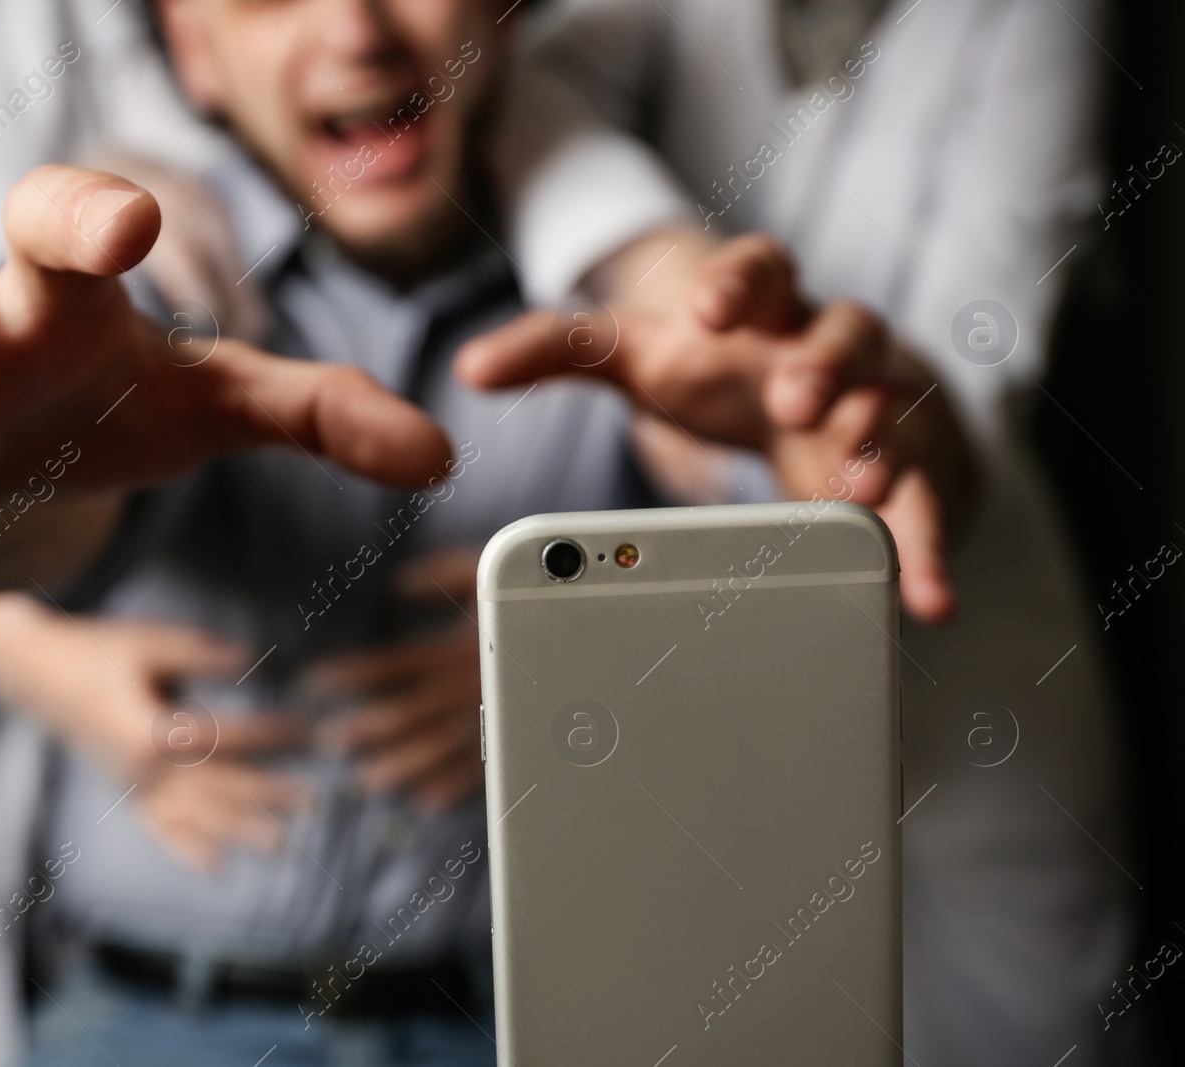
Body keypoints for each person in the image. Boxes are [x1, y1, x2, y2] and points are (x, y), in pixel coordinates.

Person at [0, 2, 964, 1066]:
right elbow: (59, 528)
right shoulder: (151, 330)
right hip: (146, 1027)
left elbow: (844, 504)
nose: (357, 28)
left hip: (523, 1028)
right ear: (193, 57)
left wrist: (875, 449)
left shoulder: (642, 322)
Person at [477, 0, 1136, 1063]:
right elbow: (538, 89)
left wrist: (881, 438)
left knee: (1034, 1012)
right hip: (698, 613)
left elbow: (990, 316)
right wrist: (673, 275)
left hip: (973, 626)